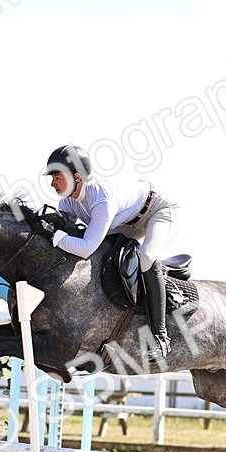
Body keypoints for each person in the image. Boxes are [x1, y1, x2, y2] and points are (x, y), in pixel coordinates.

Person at [43, 144, 179, 359]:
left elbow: (85, 247)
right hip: (125, 220)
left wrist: (54, 236)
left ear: (77, 177)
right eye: (51, 177)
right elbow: (68, 234)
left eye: (57, 177)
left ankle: (161, 337)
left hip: (157, 210)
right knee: (104, 257)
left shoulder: (101, 199)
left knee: (147, 258)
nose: (52, 183)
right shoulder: (67, 202)